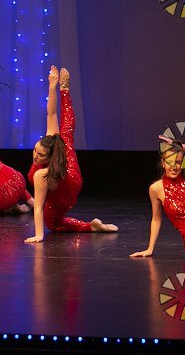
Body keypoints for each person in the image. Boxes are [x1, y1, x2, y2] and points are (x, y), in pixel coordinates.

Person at [24, 65, 118, 243]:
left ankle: (89, 226)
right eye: (35, 150)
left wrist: (39, 235)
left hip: (67, 187)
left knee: (54, 224)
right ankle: (65, 90)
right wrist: (52, 86)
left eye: (40, 155)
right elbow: (51, 113)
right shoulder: (53, 144)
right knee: (66, 132)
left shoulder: (41, 174)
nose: (35, 156)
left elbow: (38, 207)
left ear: (50, 157)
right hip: (68, 170)